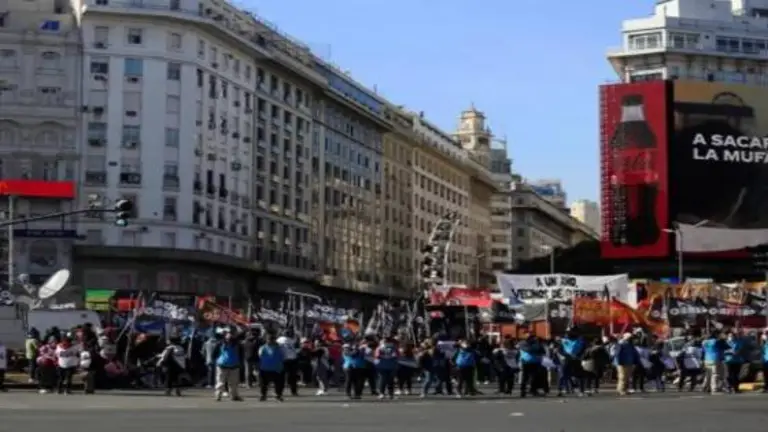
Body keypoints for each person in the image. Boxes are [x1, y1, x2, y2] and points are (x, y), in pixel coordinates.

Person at [215, 331, 242, 401]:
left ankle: (218, 395)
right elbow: (241, 354)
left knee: (221, 381)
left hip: (222, 364)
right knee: (233, 382)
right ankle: (233, 395)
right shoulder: (237, 345)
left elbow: (215, 353)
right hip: (234, 364)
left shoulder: (221, 344)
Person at [258, 333, 285, 401]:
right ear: (266, 340)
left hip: (277, 368)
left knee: (279, 384)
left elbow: (283, 356)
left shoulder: (280, 348)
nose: (270, 341)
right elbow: (260, 356)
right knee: (263, 384)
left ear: (275, 340)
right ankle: (263, 395)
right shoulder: (263, 347)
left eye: (272, 339)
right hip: (265, 368)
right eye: (269, 339)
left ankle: (278, 395)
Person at [702, 330, 727, 394]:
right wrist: (724, 339)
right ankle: (714, 388)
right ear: (717, 335)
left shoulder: (704, 342)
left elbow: (703, 350)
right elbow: (726, 347)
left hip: (707, 359)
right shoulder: (717, 341)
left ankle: (706, 387)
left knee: (708, 374)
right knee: (715, 374)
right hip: (715, 359)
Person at [276, 329, 299, 396]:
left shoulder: (280, 340)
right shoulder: (288, 340)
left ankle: (281, 392)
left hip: (287, 360)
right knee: (291, 377)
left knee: (284, 377)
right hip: (290, 359)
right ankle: (292, 391)